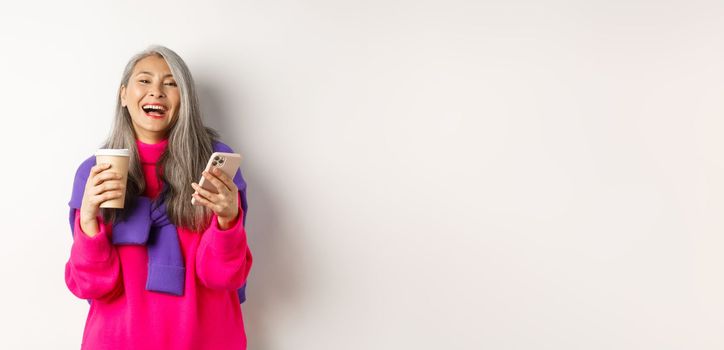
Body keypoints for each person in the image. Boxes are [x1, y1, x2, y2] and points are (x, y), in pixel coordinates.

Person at [64, 45, 253, 350]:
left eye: (170, 83)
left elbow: (224, 278)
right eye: (144, 81)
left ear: (186, 99)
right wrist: (87, 220)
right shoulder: (96, 172)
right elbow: (91, 286)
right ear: (123, 95)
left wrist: (229, 220)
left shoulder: (215, 164)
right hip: (117, 341)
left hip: (207, 339)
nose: (157, 92)